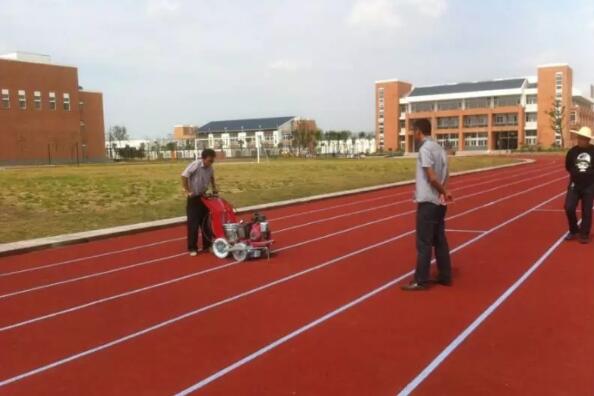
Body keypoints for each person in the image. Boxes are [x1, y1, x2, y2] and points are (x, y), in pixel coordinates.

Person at [402, 119, 453, 291]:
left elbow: (431, 176)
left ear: (418, 131)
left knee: (424, 243)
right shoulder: (439, 148)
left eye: (413, 131)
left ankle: (421, 280)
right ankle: (445, 275)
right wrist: (444, 191)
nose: (412, 134)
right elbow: (447, 173)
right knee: (440, 240)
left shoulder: (425, 149)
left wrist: (443, 191)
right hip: (439, 202)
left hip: (428, 202)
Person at [181, 149, 218, 256]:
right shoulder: (195, 165)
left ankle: (207, 245)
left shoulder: (210, 168)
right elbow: (184, 176)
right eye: (210, 160)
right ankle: (192, 248)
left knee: (206, 223)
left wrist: (214, 188)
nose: (211, 163)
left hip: (204, 197)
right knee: (193, 224)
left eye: (213, 161)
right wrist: (187, 190)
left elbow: (212, 177)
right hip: (194, 198)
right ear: (203, 158)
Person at [564, 126, 594, 244]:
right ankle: (573, 229)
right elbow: (568, 166)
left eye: (583, 138)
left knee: (586, 211)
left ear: (588, 139)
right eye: (579, 138)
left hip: (590, 186)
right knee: (569, 207)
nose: (581, 140)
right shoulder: (572, 152)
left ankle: (584, 234)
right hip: (574, 185)